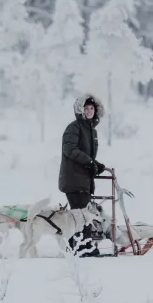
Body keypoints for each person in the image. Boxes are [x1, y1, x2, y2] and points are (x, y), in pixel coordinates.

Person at [58, 93, 106, 256]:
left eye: (92, 108)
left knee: (81, 214)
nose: (89, 111)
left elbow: (86, 155)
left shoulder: (91, 130)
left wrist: (95, 164)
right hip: (74, 179)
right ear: (80, 110)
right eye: (86, 108)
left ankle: (80, 247)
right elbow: (70, 150)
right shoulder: (74, 127)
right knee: (81, 215)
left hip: (82, 180)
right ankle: (82, 248)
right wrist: (90, 162)